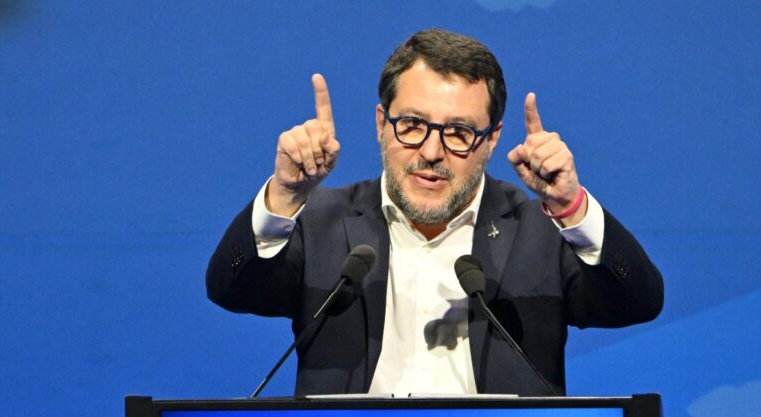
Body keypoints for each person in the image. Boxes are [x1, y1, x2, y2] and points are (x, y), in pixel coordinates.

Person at [207, 29, 663, 397]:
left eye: (460, 132)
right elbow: (231, 289)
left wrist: (571, 206)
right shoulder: (321, 220)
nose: (431, 151)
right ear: (382, 125)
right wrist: (285, 195)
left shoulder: (539, 228)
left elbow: (637, 302)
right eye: (412, 125)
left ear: (491, 140)